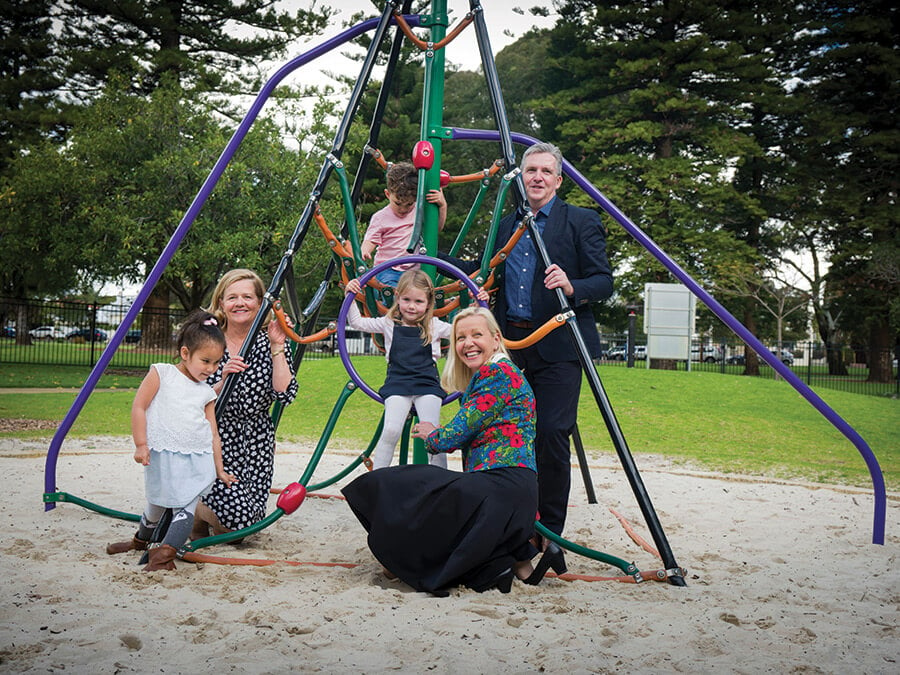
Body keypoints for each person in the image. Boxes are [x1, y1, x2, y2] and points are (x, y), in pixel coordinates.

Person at [441, 142, 613, 561]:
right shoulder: (507, 225)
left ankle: (549, 531)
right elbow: (493, 275)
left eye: (544, 171)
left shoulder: (580, 221)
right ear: (522, 176)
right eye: (530, 170)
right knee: (497, 432)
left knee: (552, 432)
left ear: (557, 179)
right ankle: (503, 521)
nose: (536, 177)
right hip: (510, 347)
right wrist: (484, 290)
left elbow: (604, 281)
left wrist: (573, 285)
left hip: (557, 345)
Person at [342, 307, 563, 595]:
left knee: (401, 483)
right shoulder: (497, 374)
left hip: (501, 486)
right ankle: (508, 563)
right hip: (509, 487)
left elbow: (457, 432)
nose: (467, 343)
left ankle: (408, 559)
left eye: (476, 335)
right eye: (460, 337)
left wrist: (431, 434)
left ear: (496, 340)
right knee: (433, 490)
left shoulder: (497, 373)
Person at [105, 311, 238, 571]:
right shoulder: (162, 374)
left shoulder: (206, 392)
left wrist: (219, 470)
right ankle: (140, 541)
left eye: (216, 363)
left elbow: (213, 434)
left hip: (197, 463)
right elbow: (139, 407)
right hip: (162, 456)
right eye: (206, 361)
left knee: (185, 508)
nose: (211, 369)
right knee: (155, 504)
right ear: (185, 353)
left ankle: (164, 557)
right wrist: (141, 444)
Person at [190, 269, 298, 539]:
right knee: (236, 524)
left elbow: (285, 394)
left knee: (249, 524)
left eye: (248, 297)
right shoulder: (207, 340)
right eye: (232, 297)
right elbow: (189, 396)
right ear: (221, 303)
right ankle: (198, 510)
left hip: (257, 440)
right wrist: (223, 381)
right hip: (215, 436)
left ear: (260, 303)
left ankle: (204, 516)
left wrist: (277, 347)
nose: (240, 303)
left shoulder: (269, 340)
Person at [344, 269, 486, 470]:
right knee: (391, 430)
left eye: (418, 302)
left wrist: (480, 303)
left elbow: (465, 327)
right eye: (406, 300)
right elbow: (357, 323)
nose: (411, 306)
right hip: (397, 384)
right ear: (397, 298)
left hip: (427, 385)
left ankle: (440, 481)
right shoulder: (388, 323)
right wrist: (349, 296)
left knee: (433, 435)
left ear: (428, 303)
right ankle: (378, 479)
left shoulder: (435, 326)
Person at [362, 161, 447, 289]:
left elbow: (437, 229)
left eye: (408, 204)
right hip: (387, 269)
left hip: (414, 271)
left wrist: (442, 205)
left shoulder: (419, 211)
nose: (403, 209)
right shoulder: (380, 217)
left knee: (423, 295)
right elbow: (370, 240)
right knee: (393, 292)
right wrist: (365, 252)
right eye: (397, 203)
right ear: (387, 194)